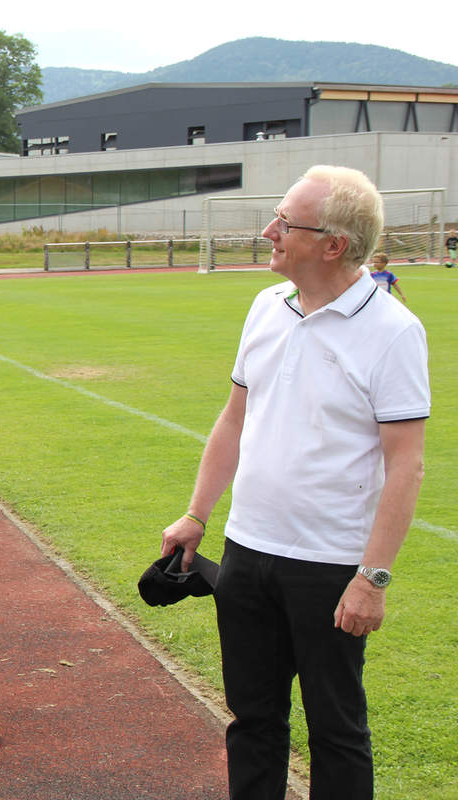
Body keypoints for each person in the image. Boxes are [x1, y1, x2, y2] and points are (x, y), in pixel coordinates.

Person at [160, 165, 429, 800]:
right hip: (247, 553)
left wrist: (373, 578)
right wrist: (197, 516)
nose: (269, 230)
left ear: (333, 244)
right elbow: (233, 421)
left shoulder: (392, 331)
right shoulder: (265, 307)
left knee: (336, 730)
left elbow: (407, 465)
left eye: (286, 222)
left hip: (331, 566)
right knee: (253, 721)